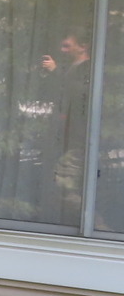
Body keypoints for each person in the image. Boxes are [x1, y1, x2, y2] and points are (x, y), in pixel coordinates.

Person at [40, 29, 92, 226]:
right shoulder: (73, 68)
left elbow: (79, 95)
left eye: (67, 46)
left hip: (79, 138)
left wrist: (56, 72)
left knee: (65, 183)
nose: (63, 50)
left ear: (83, 47)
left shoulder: (86, 68)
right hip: (68, 137)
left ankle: (92, 225)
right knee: (62, 183)